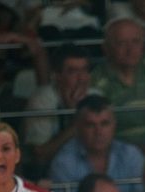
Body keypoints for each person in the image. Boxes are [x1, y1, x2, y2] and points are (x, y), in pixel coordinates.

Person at [48, 94, 145, 192]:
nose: (98, 132)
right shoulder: (63, 162)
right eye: (90, 125)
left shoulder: (131, 155)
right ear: (77, 128)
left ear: (114, 125)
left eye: (104, 124)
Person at [91, 17, 145, 148]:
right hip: (117, 151)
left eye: (135, 42)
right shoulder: (97, 78)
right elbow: (100, 127)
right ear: (106, 48)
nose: (130, 49)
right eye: (121, 43)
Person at [22, 43, 95, 179]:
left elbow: (104, 148)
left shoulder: (96, 96)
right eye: (73, 72)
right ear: (57, 76)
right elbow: (40, 156)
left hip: (88, 170)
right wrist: (77, 121)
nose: (81, 79)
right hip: (47, 174)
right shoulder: (42, 99)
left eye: (85, 70)